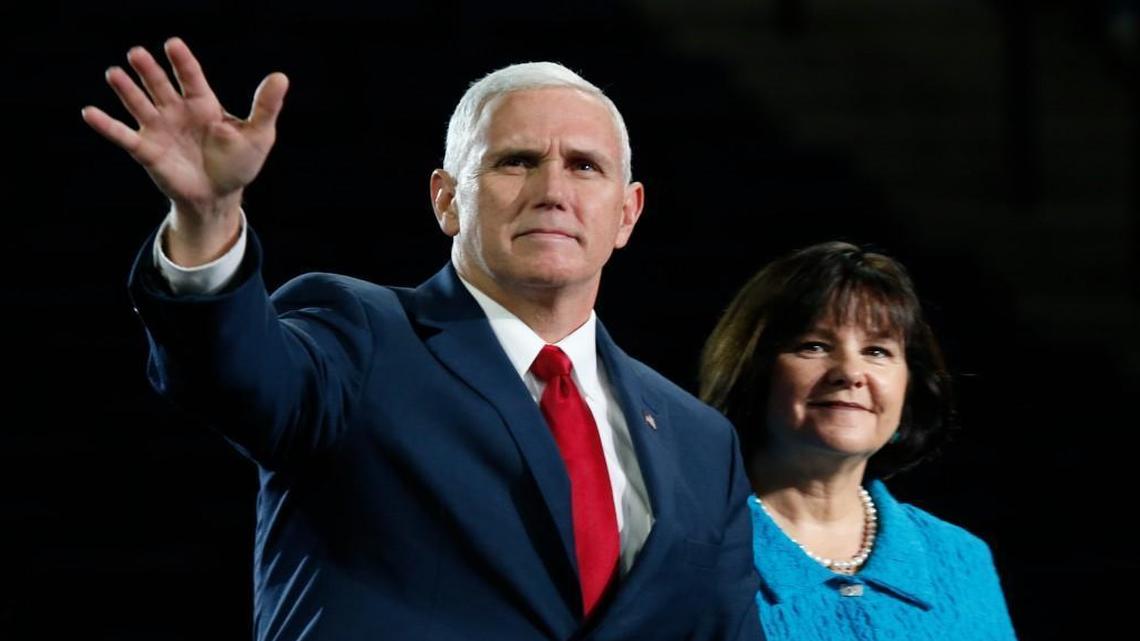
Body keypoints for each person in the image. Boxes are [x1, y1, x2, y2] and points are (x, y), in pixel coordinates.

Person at [81, 38, 761, 640]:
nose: (553, 190)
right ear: (446, 198)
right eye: (515, 162)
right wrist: (206, 218)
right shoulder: (359, 333)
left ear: (627, 212)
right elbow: (234, 377)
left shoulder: (700, 440)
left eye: (585, 166)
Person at [699, 241, 1017, 640]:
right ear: (754, 371)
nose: (850, 372)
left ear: (909, 386)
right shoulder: (693, 551)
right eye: (814, 346)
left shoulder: (961, 559)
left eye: (877, 351)